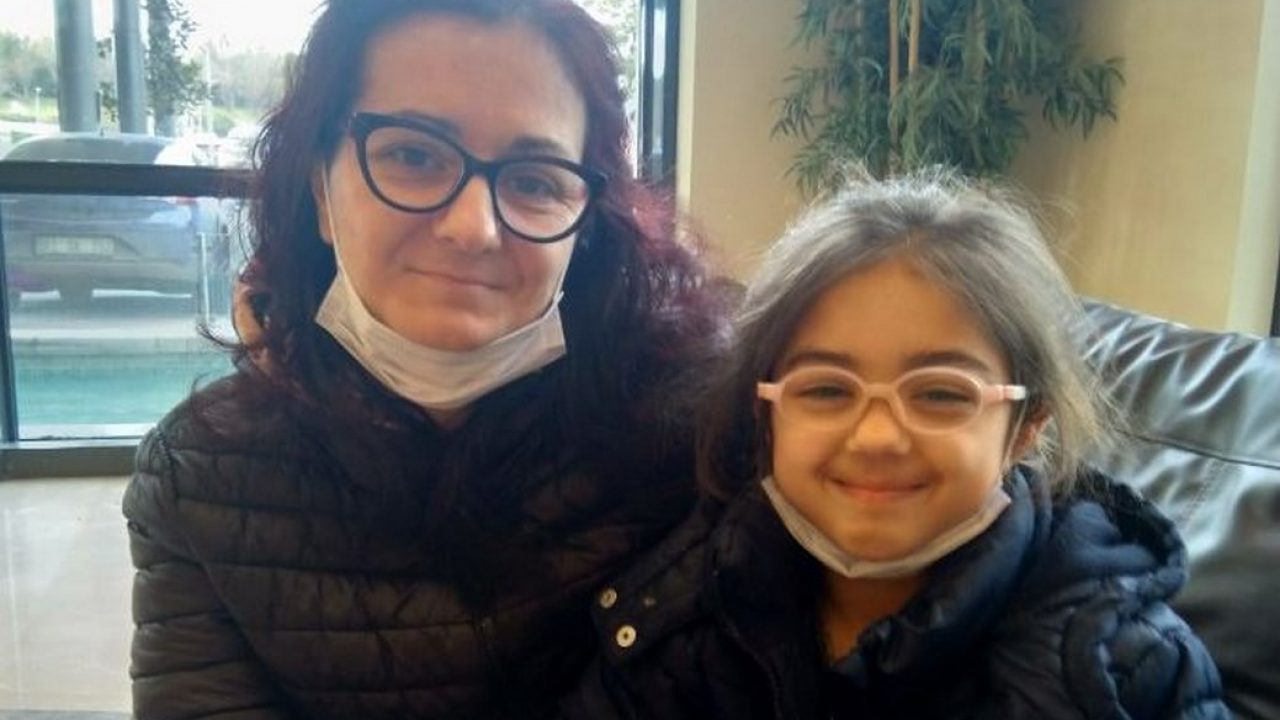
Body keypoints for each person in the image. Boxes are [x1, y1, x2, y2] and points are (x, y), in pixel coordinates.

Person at [122, 1, 725, 718]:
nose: (473, 228)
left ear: (586, 222)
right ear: (321, 190)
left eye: (535, 180)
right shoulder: (198, 480)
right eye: (412, 156)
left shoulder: (687, 434)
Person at [563, 170, 1230, 719]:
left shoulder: (1126, 670)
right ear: (766, 415)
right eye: (826, 389)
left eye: (940, 394)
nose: (877, 436)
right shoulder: (675, 616)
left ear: (1026, 427)